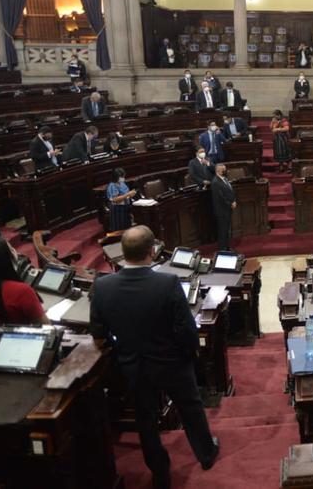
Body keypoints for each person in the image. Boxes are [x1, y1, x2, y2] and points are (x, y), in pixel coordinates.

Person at [90, 226, 219, 489]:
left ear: (122, 253)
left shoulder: (102, 286)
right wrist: (190, 354)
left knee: (145, 419)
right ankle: (205, 454)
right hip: (172, 362)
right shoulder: (168, 282)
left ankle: (159, 470)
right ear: (152, 251)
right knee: (190, 408)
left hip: (134, 366)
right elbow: (186, 329)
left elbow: (99, 333)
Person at [211, 163, 236, 250]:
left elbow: (230, 191)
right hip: (221, 211)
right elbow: (220, 198)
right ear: (218, 171)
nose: (225, 171)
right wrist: (230, 204)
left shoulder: (224, 179)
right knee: (222, 231)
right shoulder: (215, 182)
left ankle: (227, 248)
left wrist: (234, 201)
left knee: (226, 231)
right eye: (223, 170)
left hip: (227, 210)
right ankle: (223, 250)